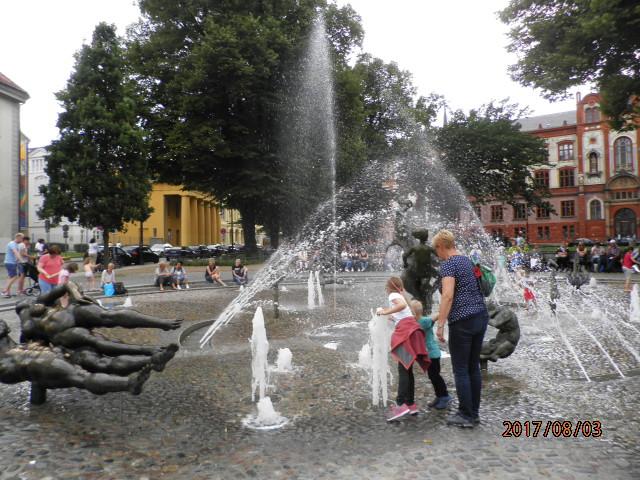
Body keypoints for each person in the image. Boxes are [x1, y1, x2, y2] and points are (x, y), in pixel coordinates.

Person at [433, 229, 489, 428]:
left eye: (436, 249)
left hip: (462, 320)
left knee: (461, 369)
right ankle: (474, 413)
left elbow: (447, 296)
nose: (437, 254)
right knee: (473, 367)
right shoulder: (467, 260)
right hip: (480, 316)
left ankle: (466, 415)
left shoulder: (449, 264)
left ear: (441, 246)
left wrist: (440, 324)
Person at [375, 277, 430, 422]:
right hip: (413, 333)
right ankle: (410, 404)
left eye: (386, 287)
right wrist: (386, 313)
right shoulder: (401, 296)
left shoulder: (393, 295)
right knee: (408, 369)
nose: (385, 290)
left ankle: (400, 405)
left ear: (389, 287)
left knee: (403, 370)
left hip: (406, 335)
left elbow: (401, 305)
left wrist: (384, 311)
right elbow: (399, 315)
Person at [412, 299, 451, 410]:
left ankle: (445, 396)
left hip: (432, 353)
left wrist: (442, 311)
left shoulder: (423, 321)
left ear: (414, 313)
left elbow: (437, 316)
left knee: (435, 376)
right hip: (429, 354)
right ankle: (439, 396)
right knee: (432, 376)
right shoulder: (418, 321)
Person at [2, 233, 24, 298]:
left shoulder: (16, 244)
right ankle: (4, 290)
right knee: (14, 276)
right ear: (18, 237)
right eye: (22, 238)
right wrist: (21, 260)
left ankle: (7, 293)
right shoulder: (12, 244)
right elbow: (15, 252)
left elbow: (15, 254)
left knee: (10, 277)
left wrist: (17, 260)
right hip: (10, 262)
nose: (22, 240)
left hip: (12, 262)